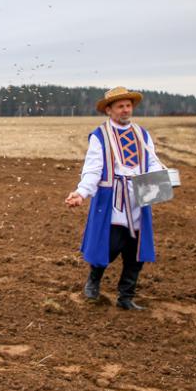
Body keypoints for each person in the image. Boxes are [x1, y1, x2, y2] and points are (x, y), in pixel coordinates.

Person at [65, 86, 165, 310]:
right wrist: (81, 192)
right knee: (108, 247)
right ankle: (93, 282)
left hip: (139, 197)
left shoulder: (142, 134)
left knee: (135, 252)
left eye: (128, 105)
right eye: (120, 106)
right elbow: (92, 169)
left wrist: (160, 181)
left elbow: (152, 162)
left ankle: (126, 297)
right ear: (109, 110)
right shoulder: (100, 136)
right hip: (112, 200)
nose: (125, 110)